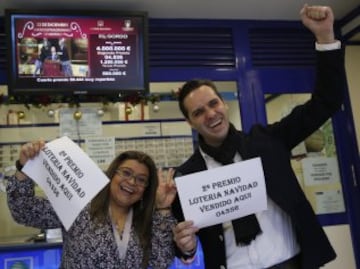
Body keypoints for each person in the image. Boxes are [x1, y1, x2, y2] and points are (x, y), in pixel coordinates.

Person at [171, 4, 346, 269]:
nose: (210, 114)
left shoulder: (267, 140)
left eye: (213, 103)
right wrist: (185, 248)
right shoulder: (185, 178)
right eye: (198, 112)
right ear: (190, 122)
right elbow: (187, 245)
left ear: (224, 104)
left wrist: (324, 38)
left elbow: (327, 101)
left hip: (291, 263)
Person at [7, 140, 177, 269]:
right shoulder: (79, 206)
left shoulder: (150, 219)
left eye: (141, 180)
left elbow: (160, 262)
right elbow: (24, 210)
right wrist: (23, 168)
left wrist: (163, 208)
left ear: (145, 190)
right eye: (126, 173)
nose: (132, 182)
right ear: (112, 175)